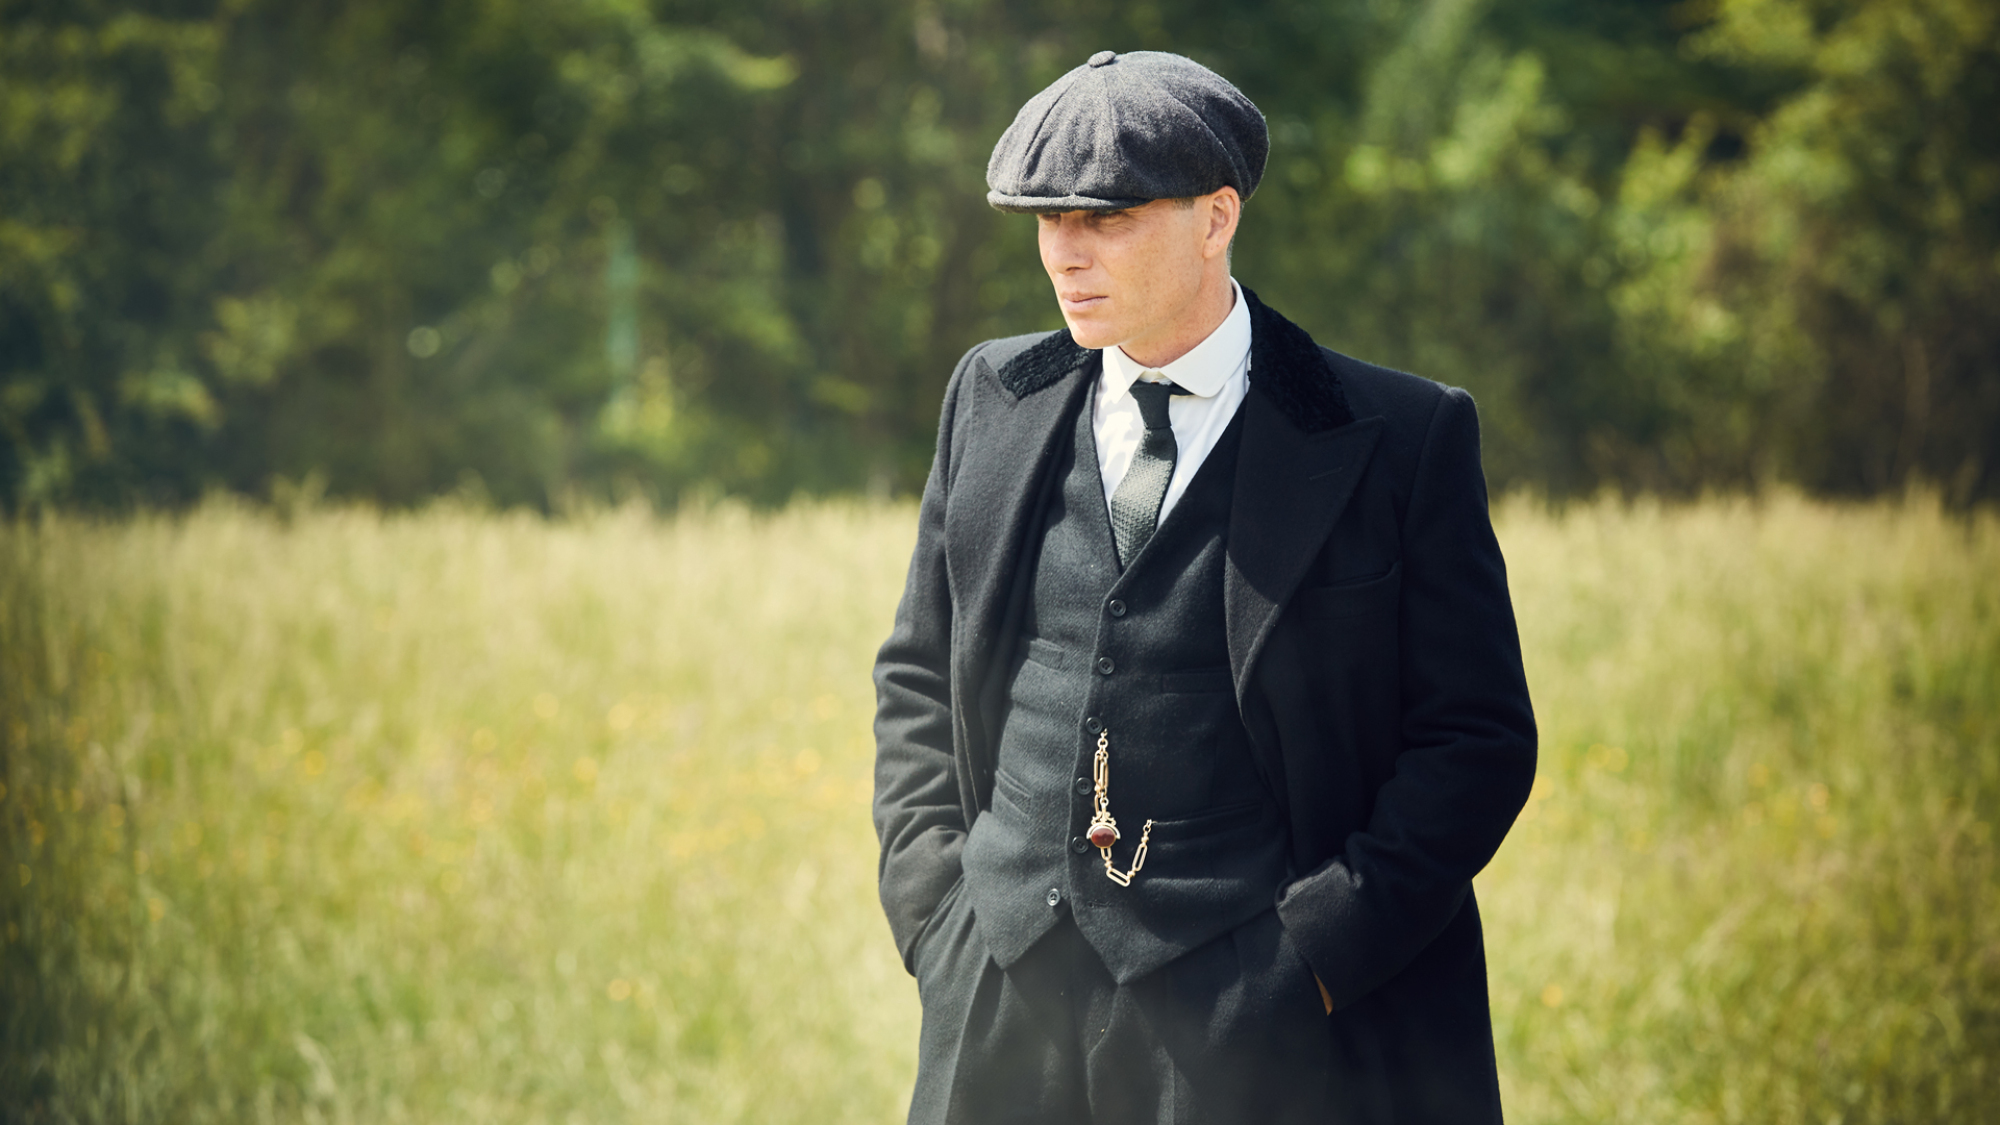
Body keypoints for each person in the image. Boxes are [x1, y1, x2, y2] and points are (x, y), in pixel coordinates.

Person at [872, 49, 1536, 1125]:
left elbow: (1475, 740)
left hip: (1261, 1029)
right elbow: (913, 671)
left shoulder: (1400, 437)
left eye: (1106, 218)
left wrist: (1312, 961)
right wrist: (935, 915)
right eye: (1045, 221)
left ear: (1215, 217)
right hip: (1001, 1001)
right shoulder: (990, 397)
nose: (1064, 255)